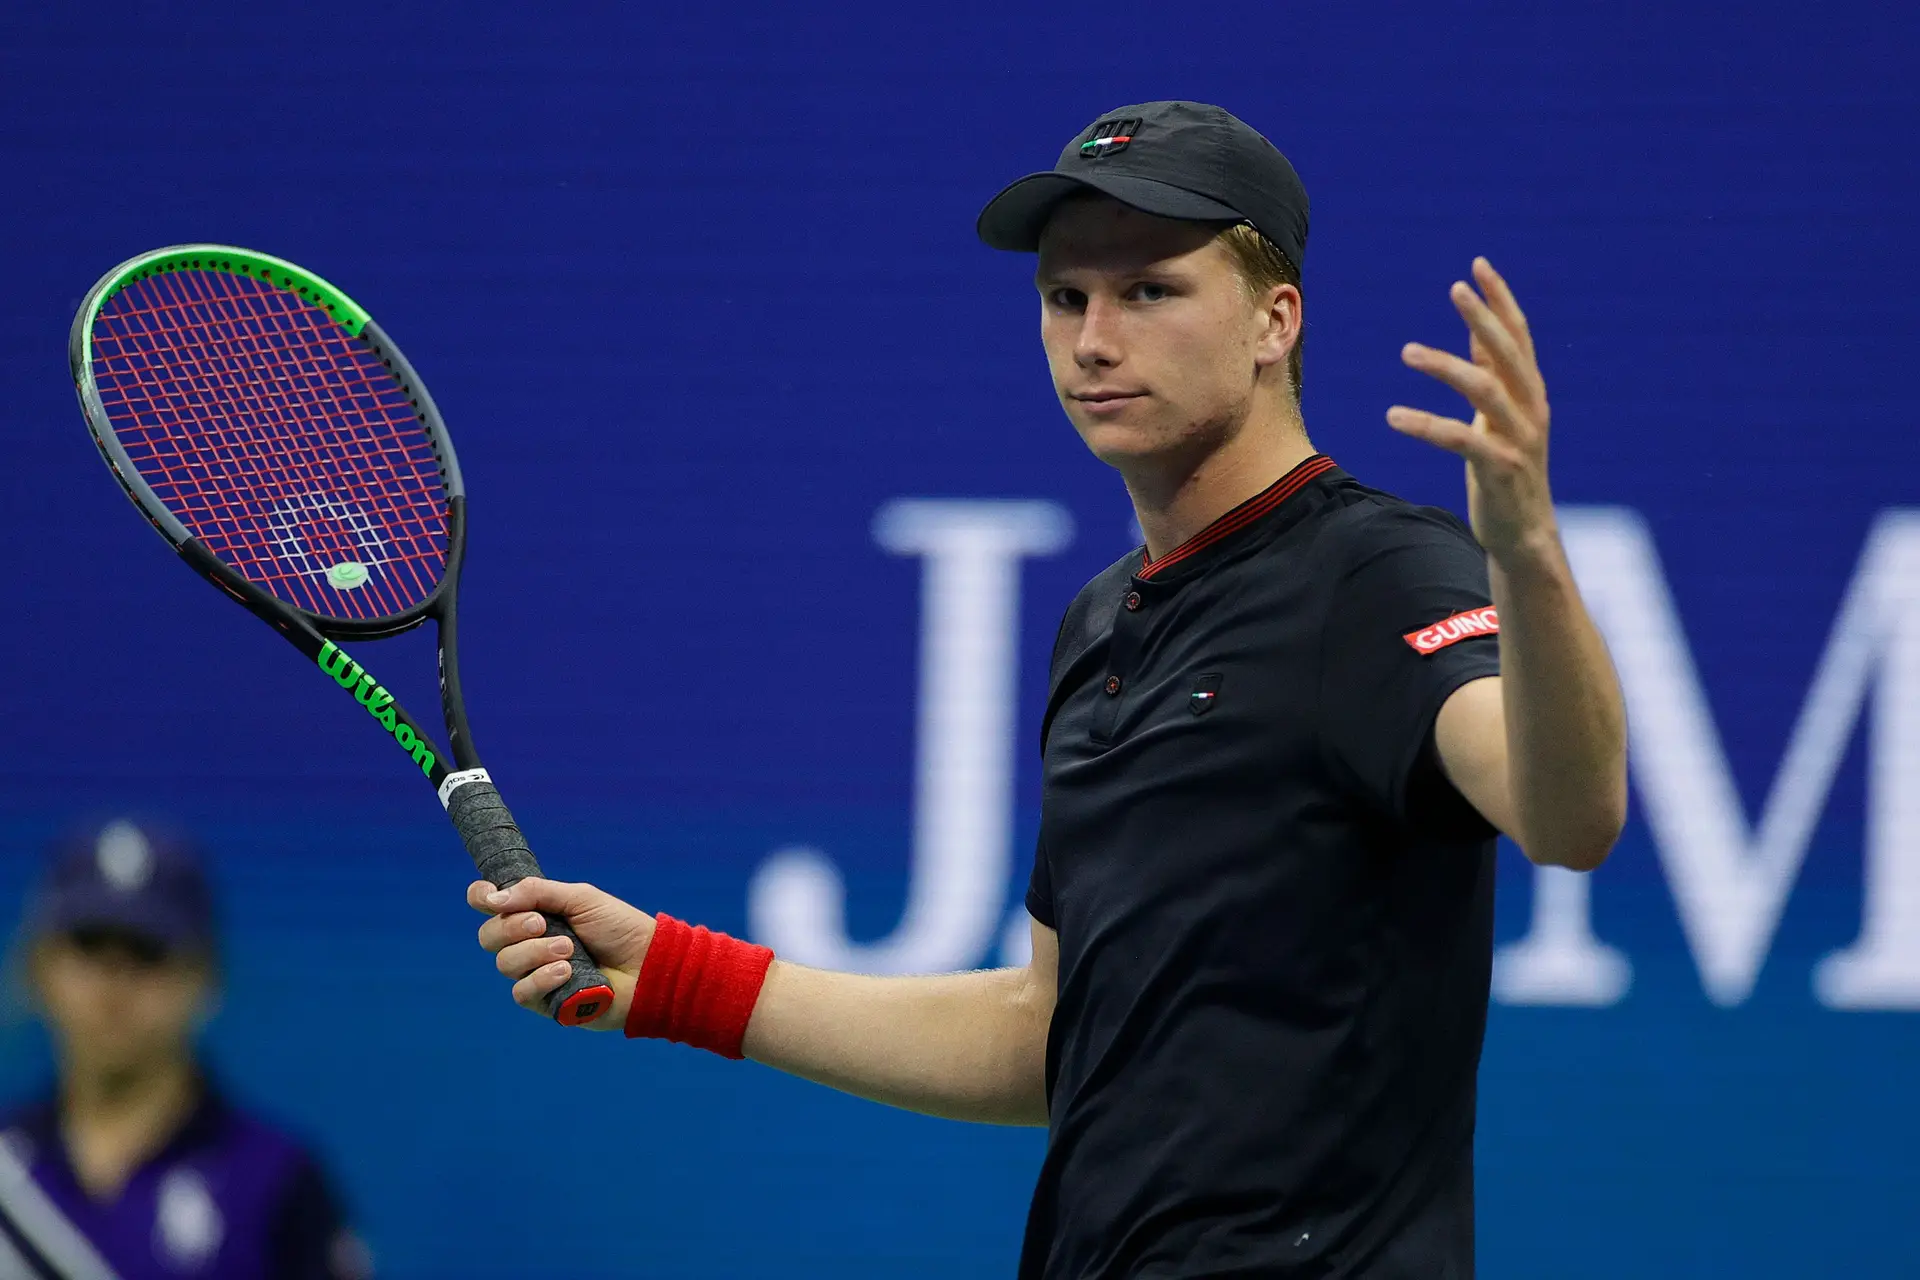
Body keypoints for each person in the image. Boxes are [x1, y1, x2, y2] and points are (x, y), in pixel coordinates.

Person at [469, 99, 1627, 1278]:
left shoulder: (1377, 573)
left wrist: (1528, 554)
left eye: (1151, 291)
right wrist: (673, 974)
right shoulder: (1099, 622)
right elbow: (1044, 1035)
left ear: (1276, 320)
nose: (1093, 340)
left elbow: (1569, 815)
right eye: (1065, 297)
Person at [1, 820, 372, 1280]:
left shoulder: (274, 1182)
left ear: (204, 976)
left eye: (147, 951)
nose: (114, 986)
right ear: (39, 964)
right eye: (89, 945)